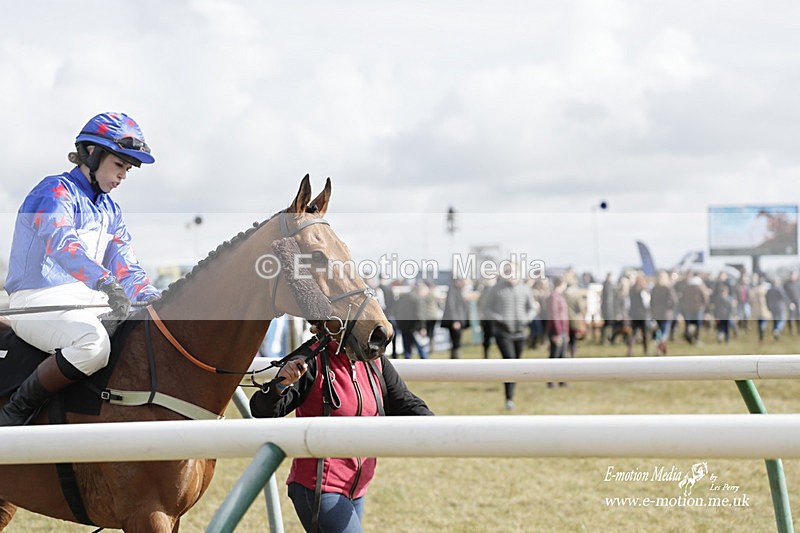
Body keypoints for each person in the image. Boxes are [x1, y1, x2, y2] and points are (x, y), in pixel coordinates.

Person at [0, 112, 160, 426]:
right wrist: (106, 283)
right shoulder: (53, 192)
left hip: (86, 300)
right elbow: (63, 245)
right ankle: (15, 410)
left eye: (127, 169)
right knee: (94, 346)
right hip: (36, 300)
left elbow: (127, 266)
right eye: (119, 165)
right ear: (92, 154)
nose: (123, 176)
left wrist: (159, 299)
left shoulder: (110, 209)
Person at [250, 339, 433, 532]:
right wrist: (281, 385)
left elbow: (405, 403)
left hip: (357, 490)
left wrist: (441, 429)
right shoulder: (311, 358)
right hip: (318, 489)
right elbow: (261, 410)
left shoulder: (374, 360)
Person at [481, 262, 535, 409]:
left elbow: (531, 308)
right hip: (503, 332)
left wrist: (526, 319)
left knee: (516, 365)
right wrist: (499, 319)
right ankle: (509, 399)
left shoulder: (525, 289)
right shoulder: (495, 289)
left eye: (512, 270)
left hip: (520, 333)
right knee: (509, 362)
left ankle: (512, 394)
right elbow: (486, 309)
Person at [393, 282, 429, 359]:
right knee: (421, 347)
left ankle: (407, 363)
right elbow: (420, 315)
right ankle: (425, 363)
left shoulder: (403, 296)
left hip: (403, 326)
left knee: (407, 349)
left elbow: (395, 310)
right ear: (420, 290)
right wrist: (422, 327)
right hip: (414, 327)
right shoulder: (418, 299)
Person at [545, 275, 569, 388]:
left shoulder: (559, 296)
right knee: (554, 356)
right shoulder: (554, 297)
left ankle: (562, 380)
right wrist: (558, 333)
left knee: (562, 356)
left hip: (562, 330)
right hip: (556, 331)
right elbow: (555, 315)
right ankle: (551, 380)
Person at [439, 277, 470, 359]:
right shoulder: (453, 290)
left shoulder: (459, 290)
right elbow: (451, 306)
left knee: (457, 342)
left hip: (458, 321)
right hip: (456, 322)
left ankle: (455, 360)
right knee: (456, 342)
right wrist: (455, 321)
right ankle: (455, 360)